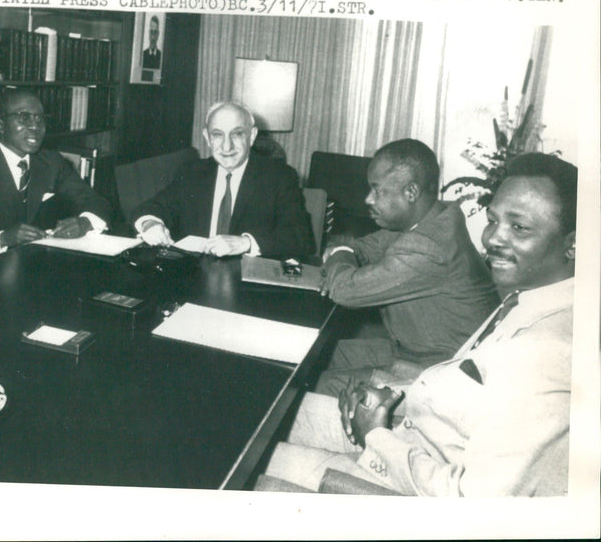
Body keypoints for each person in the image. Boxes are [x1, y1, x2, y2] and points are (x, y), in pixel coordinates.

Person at [262, 153, 577, 496]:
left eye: (519, 227)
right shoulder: (529, 299)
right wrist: (390, 397)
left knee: (254, 459)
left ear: (573, 244)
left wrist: (375, 435)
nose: (492, 239)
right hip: (415, 428)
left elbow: (470, 500)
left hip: (407, 470)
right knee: (264, 414)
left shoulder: (549, 351)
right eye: (493, 220)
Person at [316, 139, 499, 394]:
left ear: (411, 192)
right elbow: (363, 248)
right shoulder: (432, 216)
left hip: (442, 375)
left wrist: (338, 252)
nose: (368, 199)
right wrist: (345, 253)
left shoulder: (428, 245)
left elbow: (344, 290)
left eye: (377, 190)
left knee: (324, 383)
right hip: (414, 350)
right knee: (318, 353)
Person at [0, 88, 112, 265]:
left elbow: (98, 202)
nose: (35, 127)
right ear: (1, 126)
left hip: (43, 267)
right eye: (23, 117)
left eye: (40, 119)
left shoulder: (52, 162)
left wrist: (84, 223)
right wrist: (2, 239)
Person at [132, 102, 315, 258]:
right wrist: (151, 224)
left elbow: (300, 237)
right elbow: (152, 207)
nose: (227, 146)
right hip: (194, 277)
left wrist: (246, 243)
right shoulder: (192, 172)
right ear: (207, 138)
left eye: (237, 134)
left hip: (244, 285)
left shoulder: (279, 177)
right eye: (218, 135)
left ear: (251, 136)